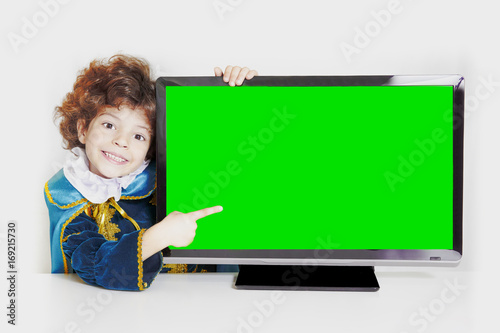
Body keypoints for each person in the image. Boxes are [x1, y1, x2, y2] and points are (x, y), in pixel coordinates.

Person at [44, 54, 258, 290]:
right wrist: (161, 235)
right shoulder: (68, 199)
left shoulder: (170, 177)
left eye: (138, 136)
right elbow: (98, 268)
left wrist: (237, 95)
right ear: (83, 129)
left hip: (204, 300)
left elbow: (230, 157)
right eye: (109, 125)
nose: (121, 141)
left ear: (150, 149)